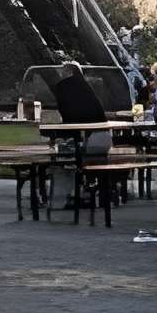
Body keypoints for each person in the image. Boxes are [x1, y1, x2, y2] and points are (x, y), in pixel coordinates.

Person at [50, 60, 113, 212]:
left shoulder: (66, 88)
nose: (60, 75)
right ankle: (88, 193)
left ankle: (71, 196)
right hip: (102, 137)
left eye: (63, 72)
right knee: (78, 157)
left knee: (66, 160)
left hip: (91, 139)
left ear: (70, 74)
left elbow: (68, 119)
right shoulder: (86, 88)